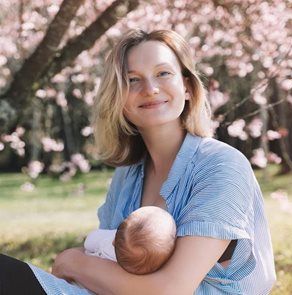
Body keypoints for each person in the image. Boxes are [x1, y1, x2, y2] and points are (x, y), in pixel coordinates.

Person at [0, 29, 276, 294]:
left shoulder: (221, 166)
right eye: (132, 80)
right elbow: (108, 262)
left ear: (188, 87)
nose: (151, 88)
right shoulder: (129, 174)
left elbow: (169, 290)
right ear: (118, 97)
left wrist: (74, 262)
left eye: (163, 73)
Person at [83, 206, 177, 275]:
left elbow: (89, 242)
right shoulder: (144, 271)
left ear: (114, 241)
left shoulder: (108, 245)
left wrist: (111, 235)